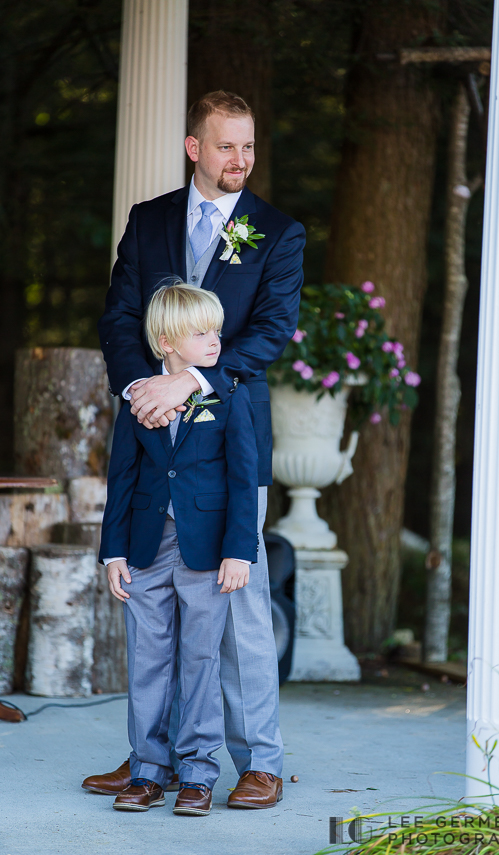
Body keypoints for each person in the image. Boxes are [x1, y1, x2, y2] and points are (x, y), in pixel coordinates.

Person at [83, 90, 305, 809]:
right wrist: (142, 390)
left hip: (230, 443)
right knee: (161, 623)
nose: (239, 160)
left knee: (236, 614)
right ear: (194, 148)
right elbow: (121, 315)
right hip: (154, 435)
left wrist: (191, 383)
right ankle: (162, 758)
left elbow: (270, 331)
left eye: (248, 147)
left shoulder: (277, 231)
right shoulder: (148, 221)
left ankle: (261, 759)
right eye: (225, 146)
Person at [101, 284, 259, 814]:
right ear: (167, 341)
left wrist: (241, 550)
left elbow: (244, 478)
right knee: (146, 658)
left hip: (209, 551)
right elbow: (121, 477)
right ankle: (148, 769)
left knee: (199, 659)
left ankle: (197, 772)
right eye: (202, 332)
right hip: (146, 548)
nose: (216, 341)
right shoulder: (139, 399)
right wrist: (113, 551)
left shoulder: (228, 394)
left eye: (217, 330)